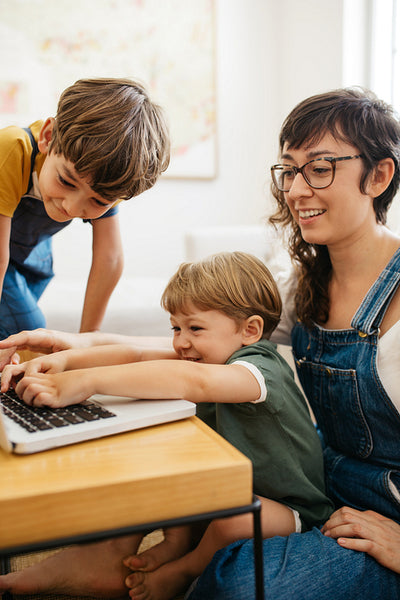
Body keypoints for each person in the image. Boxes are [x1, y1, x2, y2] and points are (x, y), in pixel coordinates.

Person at [1, 86, 400, 598]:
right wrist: (73, 346)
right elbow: (196, 347)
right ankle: (106, 557)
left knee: (232, 582)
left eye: (320, 168)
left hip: (379, 517)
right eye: (288, 170)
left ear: (380, 175)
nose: (297, 189)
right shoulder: (302, 284)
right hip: (328, 484)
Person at [0, 251, 334, 600]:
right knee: (173, 463)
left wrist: (88, 382)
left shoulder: (259, 371)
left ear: (250, 330)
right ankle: (166, 544)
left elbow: (194, 381)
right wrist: (64, 362)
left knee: (231, 520)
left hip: (293, 513)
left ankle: (184, 568)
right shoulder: (214, 351)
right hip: (233, 487)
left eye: (194, 328)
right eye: (176, 327)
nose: (180, 342)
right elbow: (136, 355)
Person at [0, 77, 170, 339]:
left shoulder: (109, 184)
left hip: (29, 255)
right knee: (28, 330)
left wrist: (87, 338)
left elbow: (109, 258)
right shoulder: (13, 148)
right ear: (48, 137)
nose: (71, 206)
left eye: (99, 201)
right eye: (66, 181)